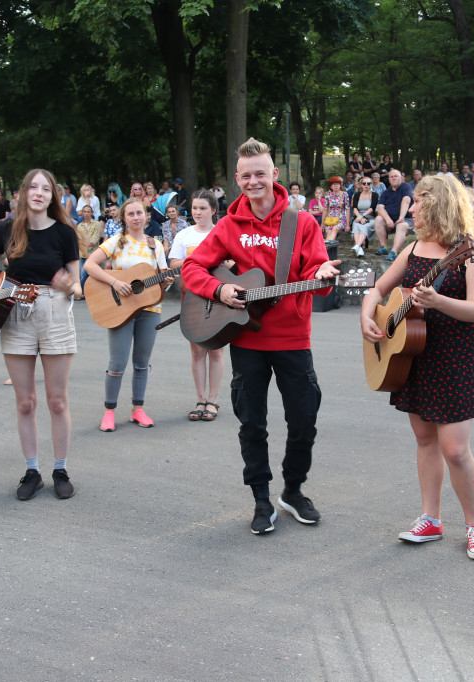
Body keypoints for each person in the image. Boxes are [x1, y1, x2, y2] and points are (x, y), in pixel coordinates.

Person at [182, 137, 339, 535]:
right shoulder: (228, 225)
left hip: (292, 339)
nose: (254, 181)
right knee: (252, 424)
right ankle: (261, 498)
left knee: (303, 420)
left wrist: (322, 277)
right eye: (246, 175)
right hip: (246, 341)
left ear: (274, 175)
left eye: (261, 174)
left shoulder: (301, 222)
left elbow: (320, 279)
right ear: (238, 179)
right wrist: (220, 290)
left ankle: (293, 490)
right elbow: (191, 269)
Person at [360, 174, 474, 560]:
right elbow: (379, 289)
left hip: (454, 360)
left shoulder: (472, 251)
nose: (412, 208)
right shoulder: (415, 248)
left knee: (455, 449)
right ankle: (430, 519)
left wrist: (438, 302)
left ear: (439, 204)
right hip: (413, 357)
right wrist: (367, 316)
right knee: (424, 440)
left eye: (418, 201)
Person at [0, 169, 80, 502]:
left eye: (45, 188)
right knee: (24, 402)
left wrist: (69, 285)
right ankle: (32, 470)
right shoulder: (7, 229)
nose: (38, 192)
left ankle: (60, 469)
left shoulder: (65, 232)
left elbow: (77, 284)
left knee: (57, 400)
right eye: (33, 187)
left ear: (53, 196)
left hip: (54, 310)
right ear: (22, 193)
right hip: (14, 308)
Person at [84, 197, 174, 432]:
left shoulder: (155, 246)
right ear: (124, 218)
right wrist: (114, 281)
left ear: (147, 216)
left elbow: (160, 283)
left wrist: (167, 281)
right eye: (131, 214)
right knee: (117, 363)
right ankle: (109, 411)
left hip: (150, 309)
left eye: (140, 213)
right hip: (120, 309)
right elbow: (89, 266)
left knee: (142, 363)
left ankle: (138, 410)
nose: (136, 217)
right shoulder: (116, 242)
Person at [168, 189, 225, 422]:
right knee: (197, 350)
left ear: (213, 210)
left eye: (203, 208)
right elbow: (174, 266)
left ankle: (213, 400)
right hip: (191, 298)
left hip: (219, 298)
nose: (198, 212)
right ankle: (200, 399)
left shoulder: (222, 233)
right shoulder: (184, 235)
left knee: (216, 350)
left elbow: (232, 264)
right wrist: (198, 256)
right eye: (194, 208)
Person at [375, 169, 413, 261]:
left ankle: (393, 252)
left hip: (406, 219)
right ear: (389, 179)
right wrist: (388, 219)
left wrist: (401, 218)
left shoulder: (406, 187)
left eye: (396, 176)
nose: (393, 178)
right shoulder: (386, 192)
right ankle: (383, 247)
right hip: (390, 221)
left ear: (401, 178)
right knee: (378, 219)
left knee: (401, 225)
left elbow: (406, 200)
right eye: (391, 177)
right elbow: (380, 208)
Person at [350, 175, 379, 258]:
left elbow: (372, 208)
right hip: (359, 216)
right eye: (364, 183)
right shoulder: (357, 195)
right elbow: (355, 208)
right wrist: (359, 217)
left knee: (365, 226)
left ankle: (357, 246)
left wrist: (363, 216)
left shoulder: (374, 195)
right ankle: (359, 248)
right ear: (361, 185)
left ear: (371, 184)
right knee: (356, 224)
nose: (366, 185)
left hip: (370, 217)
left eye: (368, 183)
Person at [322, 176, 351, 241]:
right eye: (334, 184)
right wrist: (322, 224)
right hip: (330, 219)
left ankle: (327, 247)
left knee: (335, 229)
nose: (336, 186)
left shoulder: (344, 194)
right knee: (329, 232)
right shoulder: (328, 194)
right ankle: (328, 248)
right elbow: (325, 209)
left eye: (337, 184)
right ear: (331, 186)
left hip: (340, 218)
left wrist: (348, 224)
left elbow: (348, 209)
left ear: (340, 185)